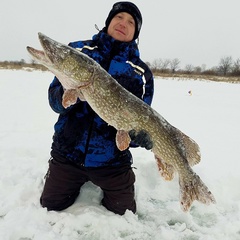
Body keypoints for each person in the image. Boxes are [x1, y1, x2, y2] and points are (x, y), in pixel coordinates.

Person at [40, 1, 154, 215]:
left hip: (112, 162)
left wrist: (142, 137)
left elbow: (141, 120)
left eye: (131, 22)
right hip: (68, 154)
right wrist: (63, 98)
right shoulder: (78, 51)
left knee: (123, 214)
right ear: (109, 21)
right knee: (50, 207)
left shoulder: (141, 73)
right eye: (119, 17)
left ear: (135, 32)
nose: (123, 23)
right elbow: (54, 101)